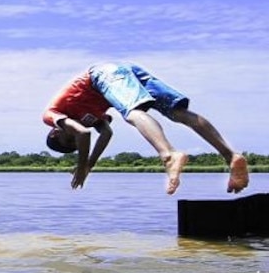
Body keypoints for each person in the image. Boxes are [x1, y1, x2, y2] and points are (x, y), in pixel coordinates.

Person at [43, 61, 249, 195]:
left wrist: (82, 168)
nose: (73, 137)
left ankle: (168, 155)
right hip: (127, 72)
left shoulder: (52, 115)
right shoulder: (86, 119)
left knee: (132, 112)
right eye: (73, 143)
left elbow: (83, 134)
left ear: (55, 131)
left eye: (67, 138)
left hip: (102, 74)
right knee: (177, 113)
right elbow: (105, 133)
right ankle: (231, 156)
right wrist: (89, 165)